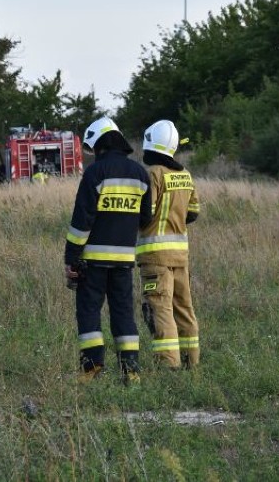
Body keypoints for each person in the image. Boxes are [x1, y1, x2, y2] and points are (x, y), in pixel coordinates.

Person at [64, 117, 152, 385]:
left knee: (89, 311)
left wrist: (71, 257)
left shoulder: (95, 174)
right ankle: (131, 370)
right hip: (124, 260)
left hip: (92, 260)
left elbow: (82, 220)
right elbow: (145, 219)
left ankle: (92, 366)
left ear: (100, 144)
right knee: (124, 312)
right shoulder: (140, 174)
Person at [136, 120, 201, 370]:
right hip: (180, 256)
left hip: (155, 258)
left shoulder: (154, 174)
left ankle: (169, 366)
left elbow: (147, 212)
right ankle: (191, 363)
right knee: (184, 309)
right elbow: (193, 213)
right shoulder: (184, 175)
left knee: (160, 309)